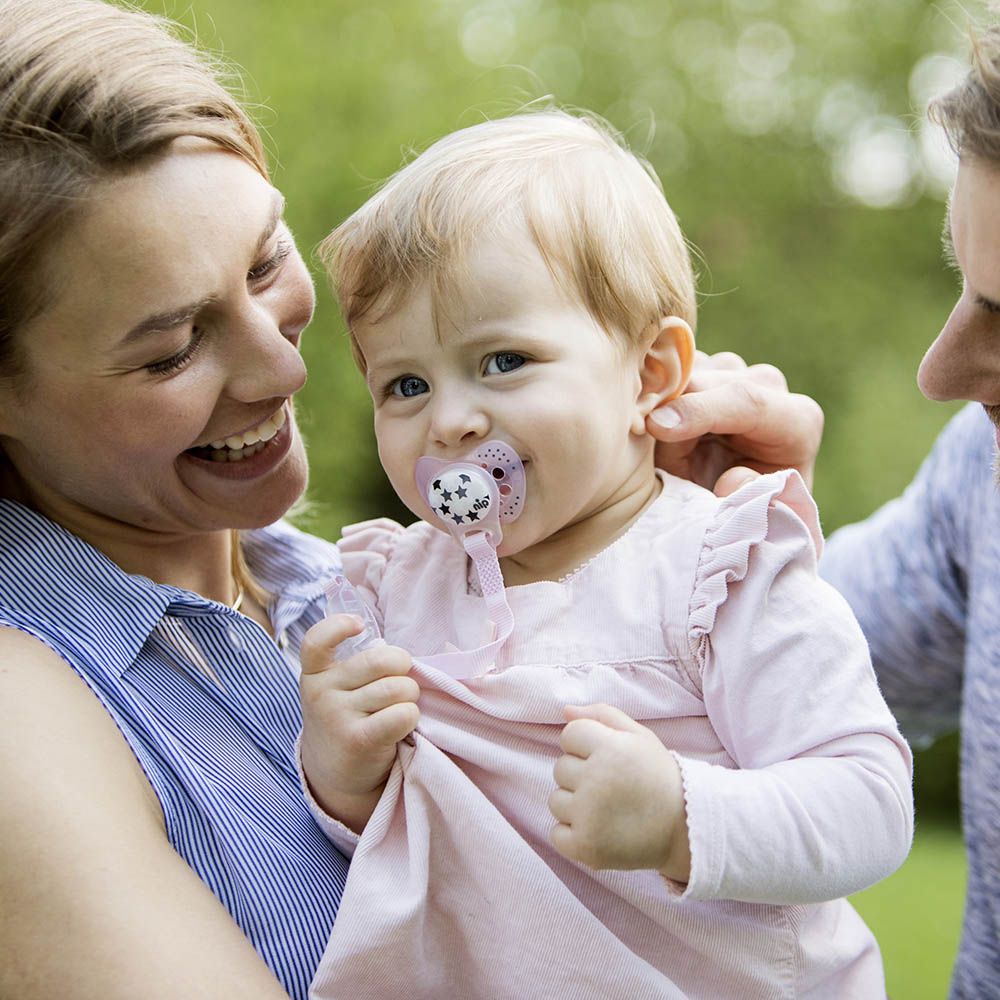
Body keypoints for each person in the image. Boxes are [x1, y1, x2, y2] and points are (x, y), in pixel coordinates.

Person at [298, 110, 914, 999]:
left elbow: (869, 803)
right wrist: (340, 775)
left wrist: (680, 816)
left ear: (651, 375)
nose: (451, 419)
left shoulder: (720, 567)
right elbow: (406, 842)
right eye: (405, 383)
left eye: (503, 360)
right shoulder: (394, 592)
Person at [0, 2, 377, 995]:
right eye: (172, 348)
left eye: (266, 260)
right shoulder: (25, 714)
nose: (280, 367)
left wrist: (661, 538)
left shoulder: (331, 582)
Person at [645, 19, 1000, 1000]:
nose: (942, 373)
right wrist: (732, 544)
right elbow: (733, 708)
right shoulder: (984, 475)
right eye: (965, 289)